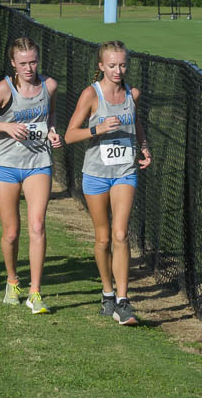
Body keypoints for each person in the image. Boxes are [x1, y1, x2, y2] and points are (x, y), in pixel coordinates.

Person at [0, 37, 62, 314]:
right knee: (11, 232)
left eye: (33, 61)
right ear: (13, 63)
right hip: (6, 165)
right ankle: (12, 281)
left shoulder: (50, 85)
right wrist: (7, 127)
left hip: (38, 163)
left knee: (37, 225)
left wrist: (53, 132)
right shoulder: (3, 89)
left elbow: (51, 114)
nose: (29, 68)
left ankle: (35, 292)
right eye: (23, 63)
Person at [63, 41, 152, 325]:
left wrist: (144, 146)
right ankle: (107, 293)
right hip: (96, 174)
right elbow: (69, 135)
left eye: (123, 65)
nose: (118, 70)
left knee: (121, 234)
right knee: (102, 238)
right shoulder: (91, 94)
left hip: (125, 171)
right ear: (101, 65)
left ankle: (124, 302)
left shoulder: (132, 93)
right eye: (112, 65)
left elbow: (135, 122)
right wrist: (97, 128)